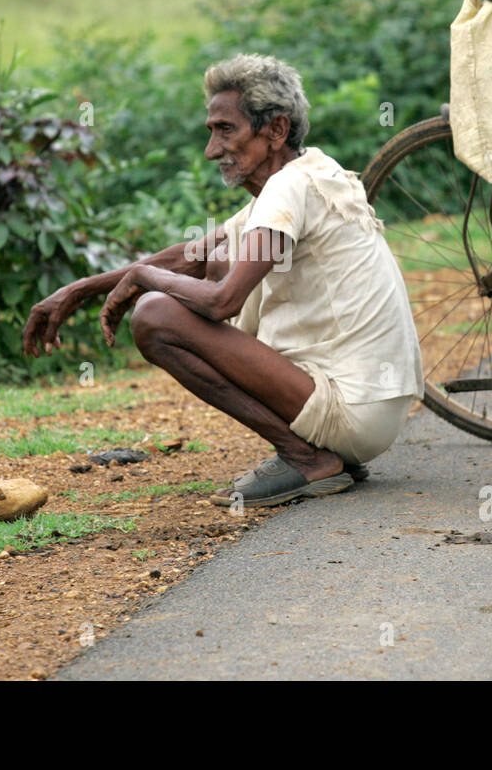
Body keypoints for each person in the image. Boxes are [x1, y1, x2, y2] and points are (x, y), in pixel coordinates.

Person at [23, 54, 423, 507]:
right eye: (211, 132)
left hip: (350, 411)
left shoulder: (287, 188)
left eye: (226, 130)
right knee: (214, 261)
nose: (213, 150)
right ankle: (322, 454)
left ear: (275, 130)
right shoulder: (310, 172)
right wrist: (79, 289)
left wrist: (142, 278)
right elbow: (191, 257)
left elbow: (221, 302)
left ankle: (306, 458)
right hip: (376, 413)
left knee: (155, 315)